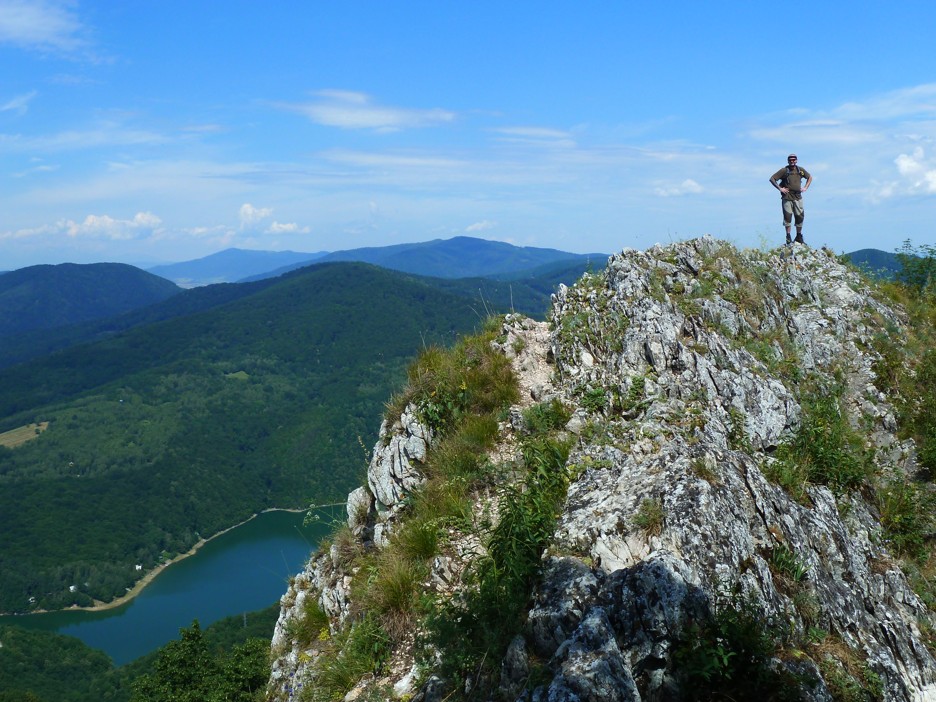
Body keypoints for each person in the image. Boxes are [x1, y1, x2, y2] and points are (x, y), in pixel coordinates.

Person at [769, 154, 812, 245]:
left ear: (796, 160)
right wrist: (780, 189)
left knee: (800, 216)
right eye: (790, 160)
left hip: (798, 197)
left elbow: (809, 177)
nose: (792, 161)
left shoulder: (800, 170)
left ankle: (799, 236)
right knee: (787, 217)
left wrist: (805, 187)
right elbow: (772, 179)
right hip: (787, 197)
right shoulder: (784, 170)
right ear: (788, 161)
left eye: (794, 160)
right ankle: (788, 237)